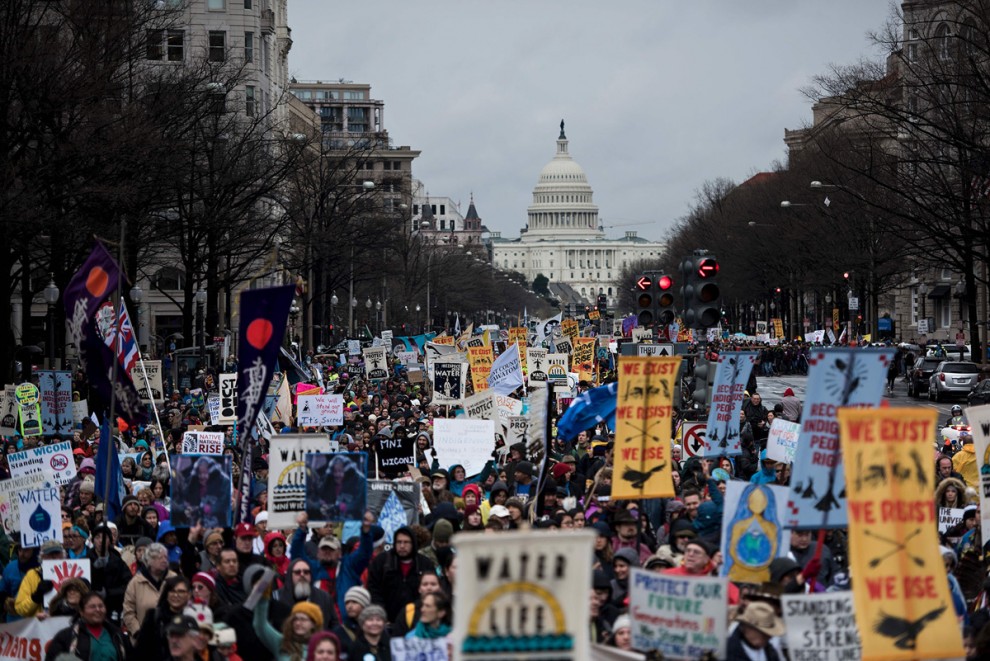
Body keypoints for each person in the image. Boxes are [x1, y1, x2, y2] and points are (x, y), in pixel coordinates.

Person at [367, 526, 436, 621]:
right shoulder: (382, 562)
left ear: (413, 543)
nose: (402, 546)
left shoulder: (425, 564)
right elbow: (374, 590)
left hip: (417, 620)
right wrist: (380, 613)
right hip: (386, 621)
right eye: (399, 542)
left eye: (406, 542)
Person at [45, 592, 132, 661]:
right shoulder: (66, 637)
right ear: (81, 612)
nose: (98, 610)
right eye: (92, 607)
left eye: (101, 606)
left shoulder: (118, 635)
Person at [123, 542, 177, 642]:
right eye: (160, 557)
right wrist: (138, 633)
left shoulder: (174, 579)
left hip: (171, 638)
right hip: (144, 641)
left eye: (166, 557)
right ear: (149, 560)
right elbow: (128, 612)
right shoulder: (135, 582)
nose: (164, 560)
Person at [254, 587, 323, 661]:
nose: (298, 623)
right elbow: (260, 626)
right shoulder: (282, 643)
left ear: (313, 624)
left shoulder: (323, 647)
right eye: (295, 619)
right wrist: (263, 598)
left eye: (303, 619)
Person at [135, 575, 194, 657]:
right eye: (172, 591)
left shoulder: (192, 618)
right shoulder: (153, 616)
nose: (176, 595)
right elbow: (141, 650)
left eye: (181, 591)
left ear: (189, 594)